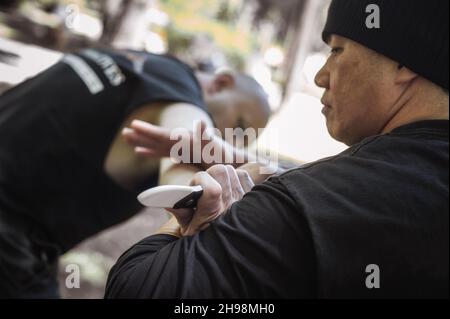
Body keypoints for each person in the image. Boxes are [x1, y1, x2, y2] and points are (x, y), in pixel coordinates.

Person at [105, 0, 449, 298]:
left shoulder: (315, 204)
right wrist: (251, 165)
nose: (321, 77)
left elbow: (140, 288)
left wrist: (184, 224)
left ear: (403, 64)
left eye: (337, 50)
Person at [0, 47, 270, 298]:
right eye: (239, 125)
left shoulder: (141, 60)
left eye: (241, 141)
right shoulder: (183, 99)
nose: (231, 139)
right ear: (221, 83)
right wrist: (248, 167)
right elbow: (190, 137)